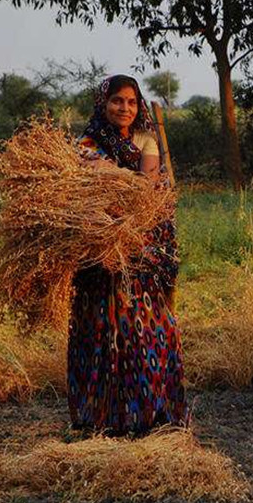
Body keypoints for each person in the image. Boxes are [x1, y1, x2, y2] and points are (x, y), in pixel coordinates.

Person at [67, 74, 188, 435]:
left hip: (141, 248)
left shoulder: (146, 139)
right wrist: (122, 181)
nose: (125, 108)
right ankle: (103, 417)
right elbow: (92, 182)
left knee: (150, 327)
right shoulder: (86, 142)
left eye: (132, 102)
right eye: (117, 101)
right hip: (100, 253)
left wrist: (117, 178)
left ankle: (150, 412)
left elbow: (147, 186)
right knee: (103, 330)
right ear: (103, 103)